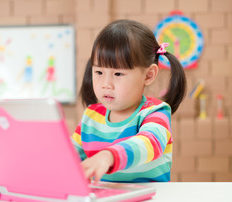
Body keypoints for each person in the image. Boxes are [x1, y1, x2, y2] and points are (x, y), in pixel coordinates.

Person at [71, 19, 186, 183]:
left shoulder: (155, 112)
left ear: (148, 75)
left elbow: (150, 142)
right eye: (98, 72)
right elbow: (69, 155)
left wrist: (109, 155)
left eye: (118, 74)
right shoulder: (91, 116)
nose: (106, 84)